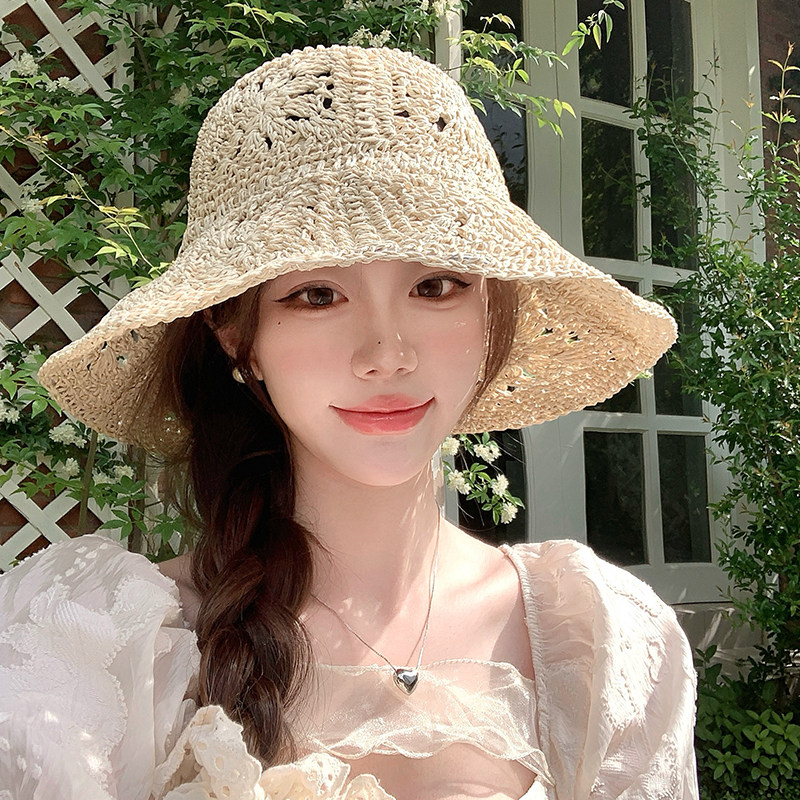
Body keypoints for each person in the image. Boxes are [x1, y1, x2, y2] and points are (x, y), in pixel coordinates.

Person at [0, 45, 698, 800]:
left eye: (436, 285)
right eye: (317, 295)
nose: (387, 354)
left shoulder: (602, 643)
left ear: (491, 313)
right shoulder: (96, 652)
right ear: (237, 337)